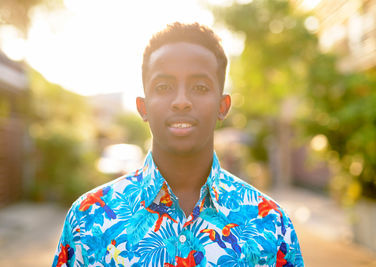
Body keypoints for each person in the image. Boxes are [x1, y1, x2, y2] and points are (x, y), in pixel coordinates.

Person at [52, 22, 304, 267]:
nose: (181, 101)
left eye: (200, 86)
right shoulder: (88, 217)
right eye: (164, 86)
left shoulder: (271, 223)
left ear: (222, 106)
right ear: (143, 107)